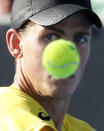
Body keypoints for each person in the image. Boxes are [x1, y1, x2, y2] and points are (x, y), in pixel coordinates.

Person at [0, 0, 102, 131]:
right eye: (51, 37)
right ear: (15, 43)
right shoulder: (4, 107)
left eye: (80, 39)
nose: (67, 54)